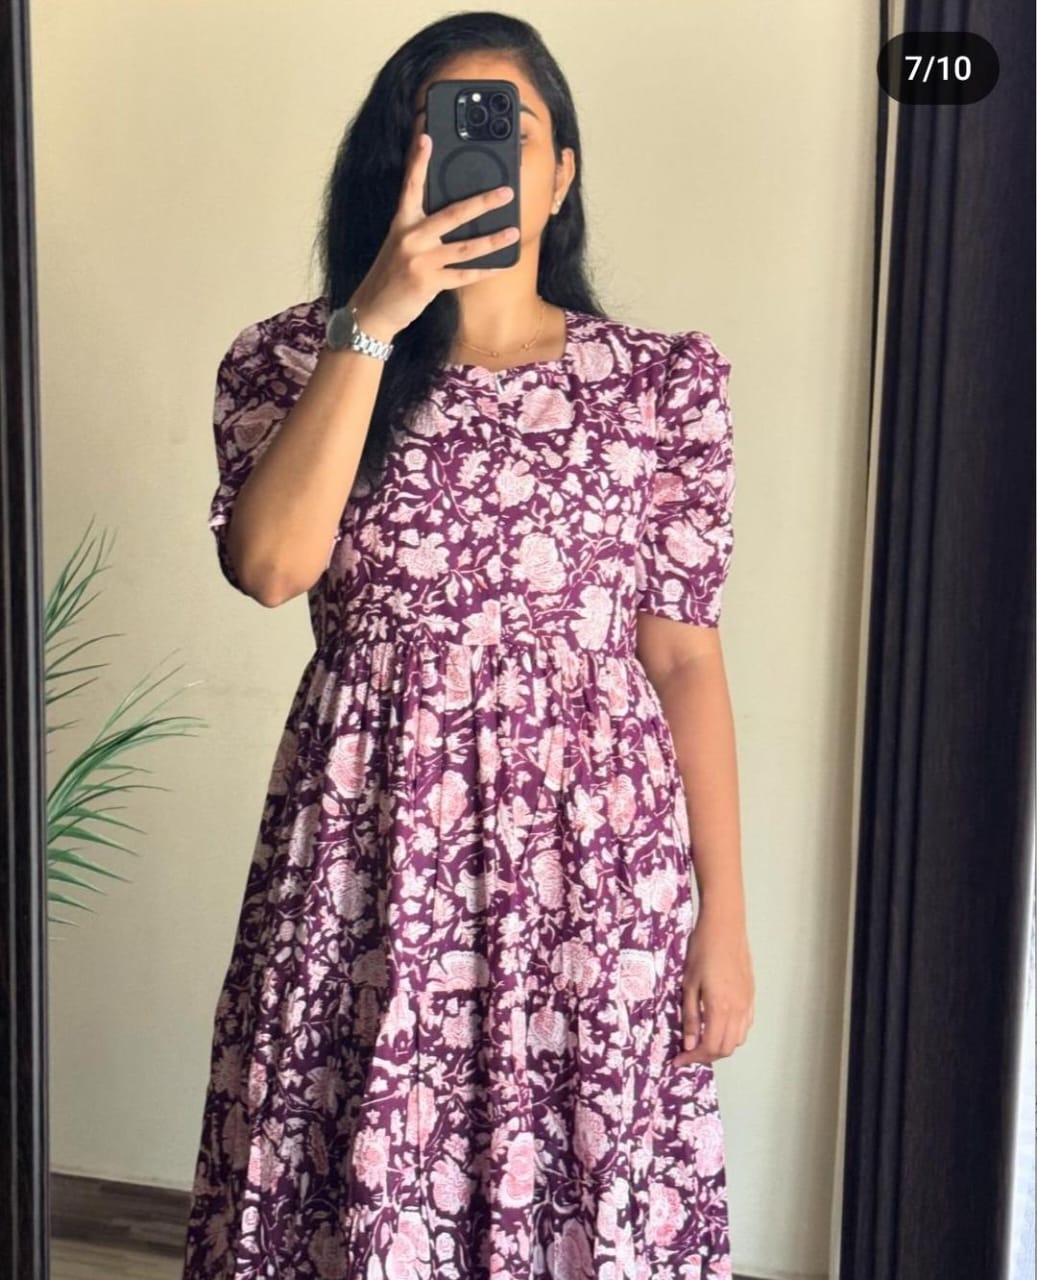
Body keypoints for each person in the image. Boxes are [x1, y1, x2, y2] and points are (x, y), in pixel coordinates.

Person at [182, 11, 753, 1280]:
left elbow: (682, 660)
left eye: (511, 132)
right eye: (434, 132)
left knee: (585, 1174)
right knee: (357, 1161)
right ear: (393, 165)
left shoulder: (660, 385)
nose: (473, 160)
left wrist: (722, 920)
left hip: (594, 872)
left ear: (558, 176)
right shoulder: (291, 357)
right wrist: (373, 320)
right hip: (368, 864)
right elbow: (270, 566)